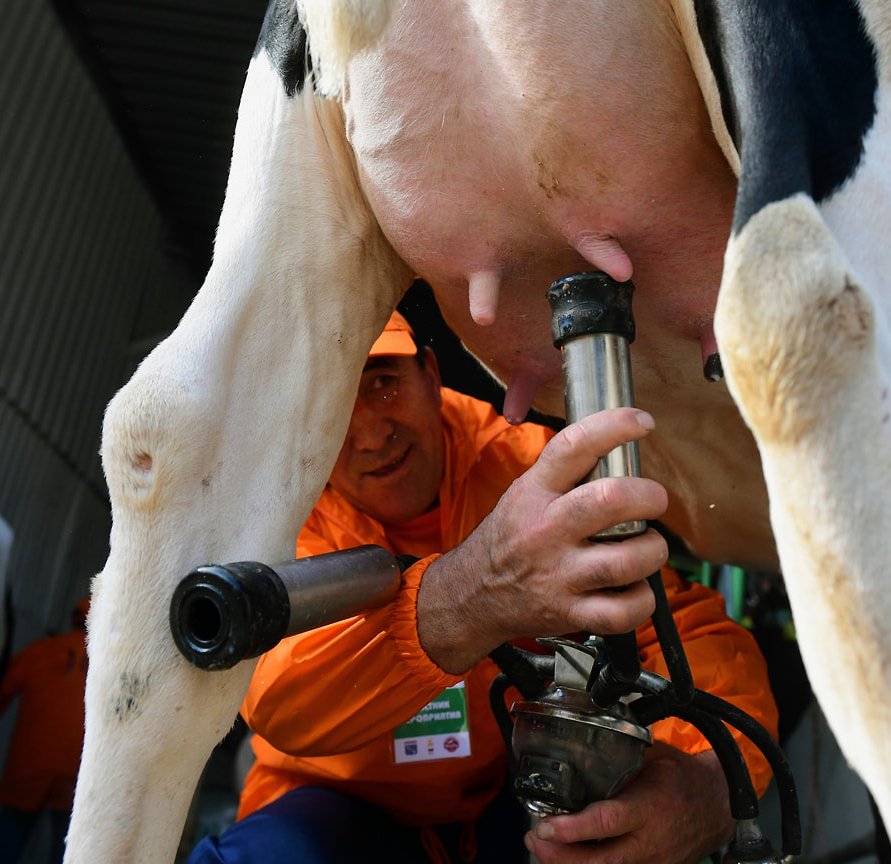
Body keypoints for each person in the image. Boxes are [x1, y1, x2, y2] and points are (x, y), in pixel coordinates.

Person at [191, 311, 779, 864]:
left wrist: (709, 782)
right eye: (329, 404)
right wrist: (471, 600)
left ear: (432, 373)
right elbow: (275, 694)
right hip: (330, 805)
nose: (369, 434)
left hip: (508, 797)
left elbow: (682, 625)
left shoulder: (529, 474)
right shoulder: (280, 514)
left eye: (383, 381)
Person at [0, 597, 90, 864]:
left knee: (6, 846)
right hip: (75, 774)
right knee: (66, 854)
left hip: (28, 768)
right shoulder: (107, 667)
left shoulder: (39, 651)